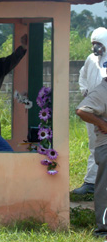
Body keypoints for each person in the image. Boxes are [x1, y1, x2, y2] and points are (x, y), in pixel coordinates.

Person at [73, 27, 107, 195]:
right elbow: (82, 75)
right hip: (92, 109)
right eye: (94, 44)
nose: (96, 48)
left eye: (99, 44)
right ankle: (91, 182)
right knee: (95, 145)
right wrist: (85, 91)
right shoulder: (91, 59)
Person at [76, 78, 107, 237]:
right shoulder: (102, 91)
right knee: (105, 189)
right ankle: (104, 230)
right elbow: (82, 110)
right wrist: (102, 124)